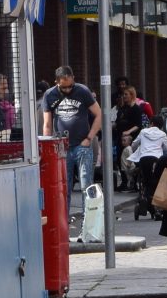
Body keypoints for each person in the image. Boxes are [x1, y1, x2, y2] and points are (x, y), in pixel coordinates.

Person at [41, 66, 101, 204]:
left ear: (73, 79)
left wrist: (89, 138)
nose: (68, 90)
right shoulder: (49, 95)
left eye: (70, 86)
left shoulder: (83, 91)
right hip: (61, 147)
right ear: (57, 82)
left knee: (86, 185)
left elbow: (99, 114)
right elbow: (47, 124)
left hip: (82, 144)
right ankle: (64, 216)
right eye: (64, 87)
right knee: (64, 187)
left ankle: (89, 216)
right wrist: (48, 147)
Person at [127, 102, 167, 222]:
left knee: (146, 182)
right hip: (156, 160)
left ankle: (147, 202)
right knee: (157, 182)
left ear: (151, 123)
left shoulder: (143, 132)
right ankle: (157, 208)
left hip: (143, 159)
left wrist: (138, 150)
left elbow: (134, 144)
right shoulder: (162, 134)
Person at [110, 78, 154, 188]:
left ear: (132, 95)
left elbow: (138, 125)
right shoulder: (122, 108)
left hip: (131, 138)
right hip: (120, 137)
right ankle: (124, 182)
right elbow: (118, 121)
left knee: (130, 159)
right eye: (123, 94)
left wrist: (128, 132)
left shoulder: (136, 109)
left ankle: (133, 182)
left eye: (126, 94)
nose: (124, 96)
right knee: (120, 159)